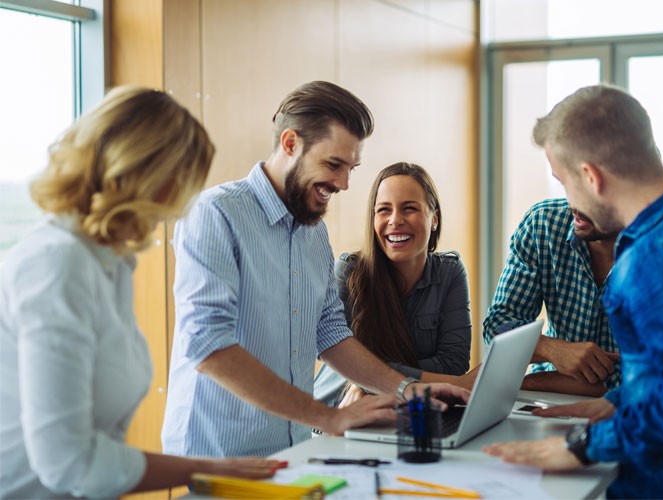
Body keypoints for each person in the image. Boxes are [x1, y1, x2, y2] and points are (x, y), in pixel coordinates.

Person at [482, 84, 663, 498]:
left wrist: (581, 445)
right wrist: (621, 401)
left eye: (564, 182)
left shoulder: (661, 255)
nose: (568, 200)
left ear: (591, 176)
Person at [0, 86, 282, 499]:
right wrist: (208, 468)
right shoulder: (57, 265)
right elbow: (68, 461)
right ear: (140, 173)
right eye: (179, 186)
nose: (179, 208)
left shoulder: (111, 264)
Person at [161, 81, 469, 458]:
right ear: (290, 144)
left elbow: (330, 333)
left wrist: (404, 388)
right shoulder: (216, 214)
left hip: (292, 449)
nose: (343, 184)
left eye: (351, 168)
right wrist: (328, 416)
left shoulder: (313, 232)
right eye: (333, 165)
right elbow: (207, 346)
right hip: (217, 455)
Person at [314, 162, 475, 408]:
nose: (395, 220)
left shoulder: (450, 273)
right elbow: (338, 354)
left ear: (434, 218)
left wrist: (372, 380)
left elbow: (453, 365)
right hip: (336, 412)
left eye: (409, 209)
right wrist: (379, 380)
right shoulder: (350, 271)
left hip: (408, 409)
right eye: (384, 210)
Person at [483, 199, 620, 396]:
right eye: (568, 183)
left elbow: (651, 381)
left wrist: (528, 383)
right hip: (545, 400)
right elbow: (497, 327)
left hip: (633, 414)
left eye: (586, 191)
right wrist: (551, 349)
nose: (575, 203)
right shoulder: (542, 223)